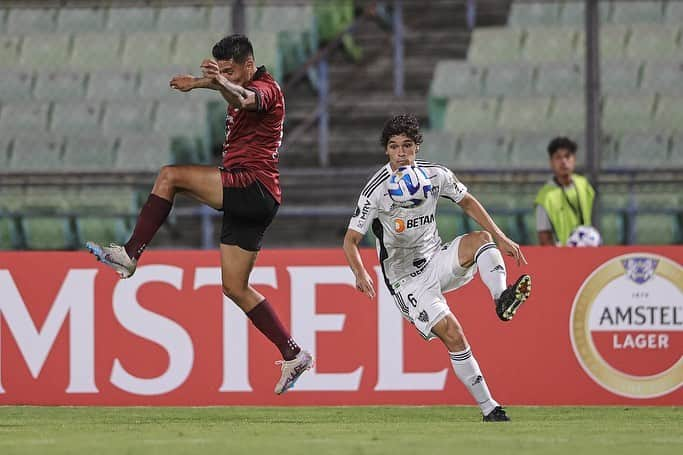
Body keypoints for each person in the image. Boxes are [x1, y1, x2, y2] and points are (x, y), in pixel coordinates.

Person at [86, 34, 312, 395]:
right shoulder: (236, 82)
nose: (226, 76)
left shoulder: (267, 88)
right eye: (221, 70)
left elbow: (244, 96)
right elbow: (231, 89)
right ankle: (293, 353)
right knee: (235, 287)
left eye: (231, 70)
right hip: (258, 197)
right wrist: (200, 83)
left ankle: (129, 255)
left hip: (252, 184)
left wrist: (213, 82)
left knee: (170, 176)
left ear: (249, 67)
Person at [342, 114, 532, 422]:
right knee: (454, 334)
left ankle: (501, 299)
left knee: (481, 240)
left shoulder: (435, 176)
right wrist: (360, 272)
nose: (400, 153)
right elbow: (350, 241)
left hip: (436, 259)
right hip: (406, 281)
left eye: (407, 145)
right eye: (393, 147)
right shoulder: (375, 191)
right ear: (386, 151)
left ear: (417, 147)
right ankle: (490, 408)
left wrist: (501, 237)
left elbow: (467, 201)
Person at [535, 137, 596, 246]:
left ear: (574, 159)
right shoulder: (545, 196)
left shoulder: (584, 185)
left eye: (567, 156)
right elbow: (544, 236)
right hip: (561, 255)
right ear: (551, 162)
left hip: (588, 249)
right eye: (558, 157)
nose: (563, 161)